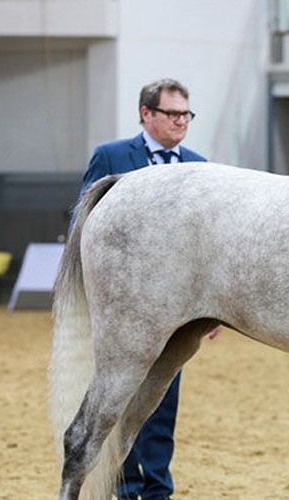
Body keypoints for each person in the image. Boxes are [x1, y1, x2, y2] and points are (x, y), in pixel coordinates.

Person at [77, 78, 206, 500]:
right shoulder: (112, 156)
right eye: (172, 113)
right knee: (118, 391)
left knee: (163, 400)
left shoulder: (200, 166)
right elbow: (86, 226)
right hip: (126, 302)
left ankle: (155, 486)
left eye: (186, 114)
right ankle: (123, 482)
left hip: (182, 304)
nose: (181, 122)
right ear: (146, 114)